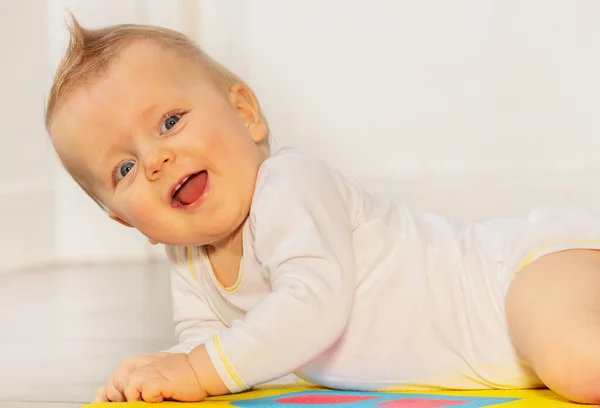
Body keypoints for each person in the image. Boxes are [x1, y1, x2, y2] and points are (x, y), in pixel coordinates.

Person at [45, 16, 600, 405]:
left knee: (577, 357)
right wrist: (159, 376)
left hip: (516, 278)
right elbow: (204, 346)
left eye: (169, 122)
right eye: (124, 169)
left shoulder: (289, 184)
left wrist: (197, 370)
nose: (158, 159)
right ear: (126, 222)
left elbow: (312, 305)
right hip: (504, 340)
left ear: (245, 113)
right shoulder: (189, 259)